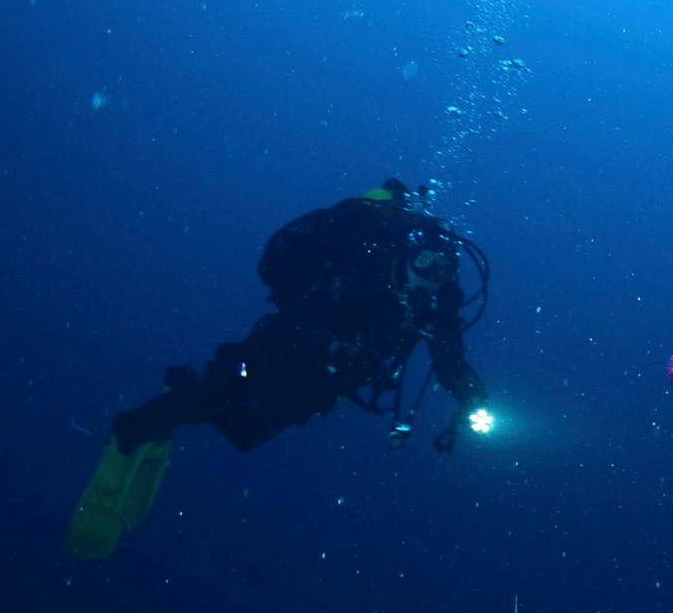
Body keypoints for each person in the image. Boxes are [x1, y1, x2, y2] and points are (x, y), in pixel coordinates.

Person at [66, 179, 495, 559]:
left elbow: (450, 358)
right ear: (411, 252)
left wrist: (471, 397)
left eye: (440, 273)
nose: (429, 277)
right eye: (425, 264)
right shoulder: (373, 253)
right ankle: (129, 434)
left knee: (244, 431)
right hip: (283, 347)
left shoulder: (436, 303)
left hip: (324, 382)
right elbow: (292, 261)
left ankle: (180, 392)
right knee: (215, 397)